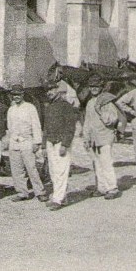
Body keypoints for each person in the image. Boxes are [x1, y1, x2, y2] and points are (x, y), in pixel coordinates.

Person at [42, 81, 81, 211]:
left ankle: (58, 199)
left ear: (57, 90)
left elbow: (70, 127)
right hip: (50, 142)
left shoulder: (66, 106)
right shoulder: (49, 107)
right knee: (53, 171)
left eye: (52, 90)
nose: (49, 92)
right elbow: (46, 127)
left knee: (61, 171)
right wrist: (43, 145)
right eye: (47, 91)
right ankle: (61, 197)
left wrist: (65, 144)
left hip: (61, 142)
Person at [81, 76, 121, 199]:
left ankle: (112, 188)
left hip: (104, 136)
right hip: (94, 138)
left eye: (96, 87)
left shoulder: (106, 101)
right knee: (97, 163)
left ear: (101, 88)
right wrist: (86, 138)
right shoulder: (89, 103)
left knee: (106, 162)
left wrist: (100, 111)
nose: (94, 89)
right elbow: (87, 122)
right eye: (91, 87)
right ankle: (102, 188)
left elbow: (113, 119)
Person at [5, 85, 47, 202]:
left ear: (23, 94)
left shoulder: (30, 107)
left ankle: (40, 191)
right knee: (16, 169)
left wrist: (37, 142)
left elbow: (36, 125)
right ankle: (22, 192)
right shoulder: (11, 110)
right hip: (14, 142)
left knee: (31, 168)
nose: (16, 97)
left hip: (27, 141)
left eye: (18, 94)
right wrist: (11, 140)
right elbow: (9, 126)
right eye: (14, 95)